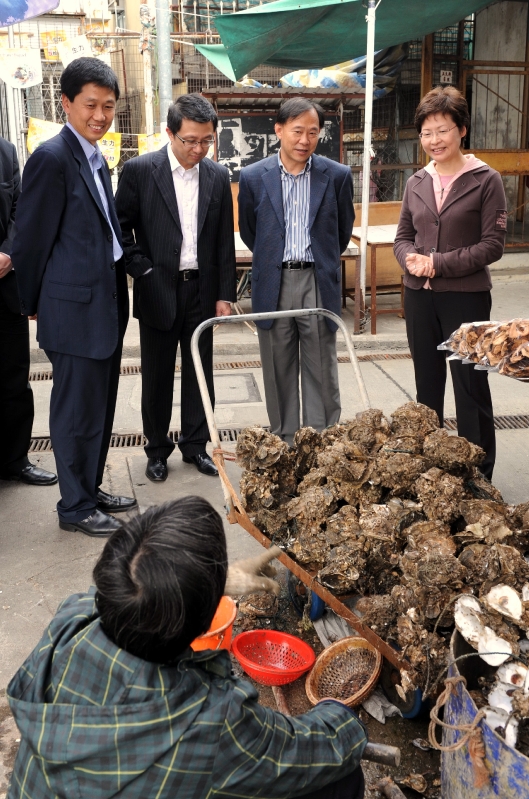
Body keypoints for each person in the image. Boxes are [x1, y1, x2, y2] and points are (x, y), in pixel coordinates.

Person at [7, 496, 368, 799]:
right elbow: (310, 750)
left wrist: (213, 581)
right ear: (202, 624)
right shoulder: (210, 719)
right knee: (342, 779)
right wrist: (343, 717)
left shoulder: (70, 623)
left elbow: (120, 598)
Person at [11, 57, 136, 536]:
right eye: (90, 105)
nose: (100, 116)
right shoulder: (52, 157)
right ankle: (75, 507)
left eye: (108, 107)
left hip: (102, 305)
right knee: (74, 411)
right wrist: (34, 303)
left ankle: (89, 487)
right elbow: (29, 241)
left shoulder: (96, 155)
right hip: (71, 309)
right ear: (65, 103)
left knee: (100, 409)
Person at [115, 94, 236, 483]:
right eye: (190, 141)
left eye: (207, 140)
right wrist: (143, 271)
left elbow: (222, 241)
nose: (199, 149)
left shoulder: (216, 176)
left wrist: (224, 294)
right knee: (156, 374)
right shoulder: (139, 171)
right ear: (170, 133)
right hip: (157, 288)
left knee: (201, 373)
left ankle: (196, 445)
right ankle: (156, 449)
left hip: (201, 288)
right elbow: (120, 229)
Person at [394, 86, 507, 480]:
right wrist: (408, 258)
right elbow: (402, 236)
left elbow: (493, 245)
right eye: (426, 133)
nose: (433, 141)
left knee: (470, 388)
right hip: (420, 298)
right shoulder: (416, 182)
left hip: (466, 300)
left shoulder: (485, 179)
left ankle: (479, 473)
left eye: (441, 130)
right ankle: (432, 471)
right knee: (427, 386)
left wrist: (437, 264)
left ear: (461, 130)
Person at [238, 98, 354, 445]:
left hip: (317, 280)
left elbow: (341, 230)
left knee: (321, 366)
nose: (305, 140)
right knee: (278, 366)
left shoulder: (336, 175)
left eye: (313, 132)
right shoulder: (253, 177)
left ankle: (321, 442)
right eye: (297, 131)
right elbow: (250, 230)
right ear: (279, 130)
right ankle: (285, 441)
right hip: (273, 281)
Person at [0, 136, 58, 486]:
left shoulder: (6, 151)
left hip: (6, 283)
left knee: (14, 376)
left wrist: (9, 251)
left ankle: (15, 458)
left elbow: (21, 209)